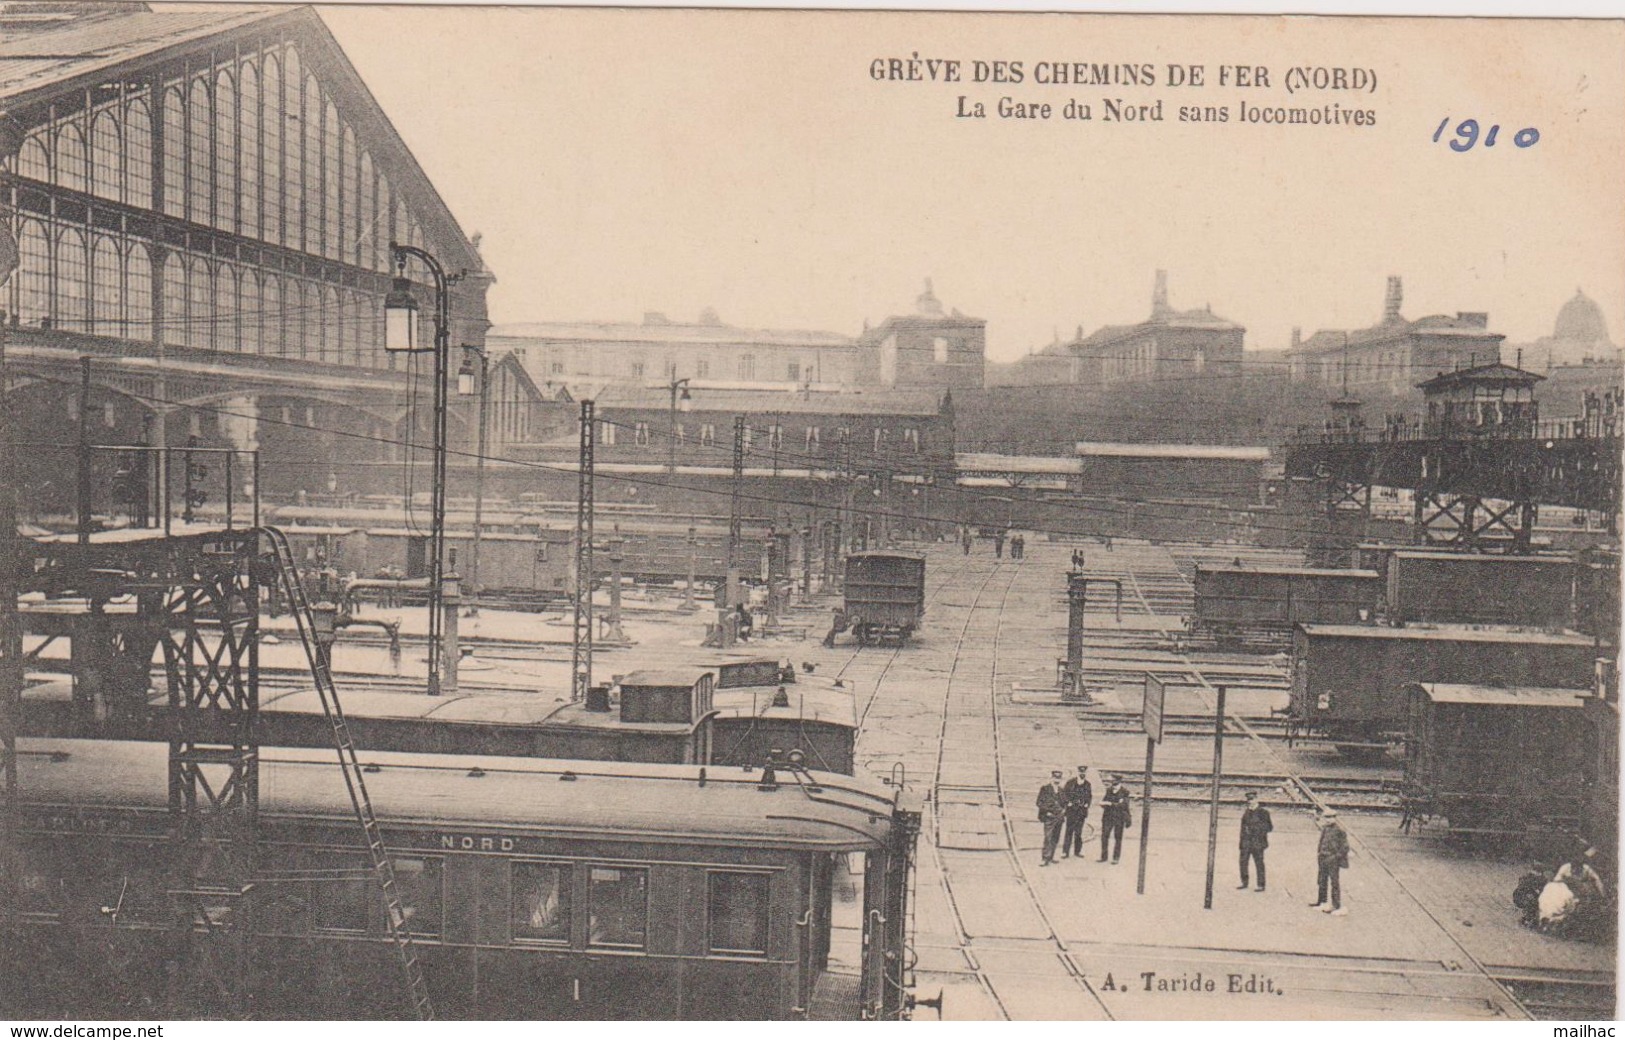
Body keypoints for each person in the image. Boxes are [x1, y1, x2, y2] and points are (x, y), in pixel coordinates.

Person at [1310, 808, 1349, 916]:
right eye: (1326, 818)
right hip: (1323, 857)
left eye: (1330, 818)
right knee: (1322, 880)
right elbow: (1321, 842)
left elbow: (1345, 847)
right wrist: (1319, 853)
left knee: (1334, 882)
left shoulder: (1340, 830)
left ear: (1335, 818)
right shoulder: (1325, 829)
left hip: (1332, 859)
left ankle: (1336, 905)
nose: (1328, 820)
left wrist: (1336, 857)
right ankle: (1322, 901)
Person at [1237, 791, 1273, 891]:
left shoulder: (1263, 812)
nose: (1250, 802)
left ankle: (1261, 884)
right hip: (1246, 843)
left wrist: (1256, 830)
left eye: (1252, 799)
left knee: (1259, 863)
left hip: (1257, 842)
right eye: (1248, 800)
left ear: (1256, 799)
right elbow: (1242, 828)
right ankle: (1244, 882)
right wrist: (1241, 843)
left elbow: (1269, 827)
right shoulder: (1246, 812)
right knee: (1243, 862)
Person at [1061, 765, 1093, 859]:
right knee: (1069, 831)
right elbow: (1064, 794)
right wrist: (1068, 803)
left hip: (1081, 812)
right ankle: (1065, 852)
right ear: (1078, 772)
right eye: (1081, 772)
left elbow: (1089, 796)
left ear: (1086, 773)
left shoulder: (1087, 784)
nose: (1082, 774)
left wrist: (1087, 804)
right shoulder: (1070, 783)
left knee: (1078, 832)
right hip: (1071, 811)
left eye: (1084, 772)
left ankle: (1077, 851)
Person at [1098, 775, 1131, 864]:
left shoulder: (1125, 792)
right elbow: (1104, 800)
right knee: (1104, 837)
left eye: (1114, 781)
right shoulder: (1109, 790)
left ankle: (1116, 858)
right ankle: (1104, 856)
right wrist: (1103, 804)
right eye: (1112, 781)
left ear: (1118, 781)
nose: (1112, 782)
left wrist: (1111, 804)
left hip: (1119, 818)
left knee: (1118, 838)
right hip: (1107, 817)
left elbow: (1124, 805)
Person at [1037, 771, 1066, 866]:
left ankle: (1051, 857)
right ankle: (1045, 858)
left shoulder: (1061, 790)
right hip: (1049, 817)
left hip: (1059, 818)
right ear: (1052, 778)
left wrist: (1063, 811)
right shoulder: (1045, 789)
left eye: (1059, 778)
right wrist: (1047, 812)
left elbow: (1065, 802)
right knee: (1048, 837)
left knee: (1055, 837)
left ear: (1061, 779)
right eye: (1055, 778)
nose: (1057, 780)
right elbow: (1039, 802)